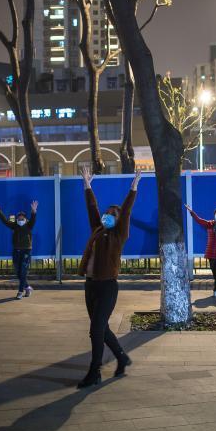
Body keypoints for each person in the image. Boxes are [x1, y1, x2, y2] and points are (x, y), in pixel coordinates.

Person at [77, 165, 141, 389]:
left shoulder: (119, 235)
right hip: (90, 286)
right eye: (107, 213)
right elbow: (92, 208)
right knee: (101, 328)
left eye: (113, 215)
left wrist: (133, 188)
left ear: (118, 220)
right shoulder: (97, 229)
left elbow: (127, 211)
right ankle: (122, 358)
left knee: (95, 330)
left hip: (107, 287)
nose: (108, 216)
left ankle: (94, 371)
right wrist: (87, 185)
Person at [0, 200, 39, 300]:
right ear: (17, 219)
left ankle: (20, 291)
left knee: (23, 271)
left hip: (26, 251)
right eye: (19, 218)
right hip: (16, 251)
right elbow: (5, 221)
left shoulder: (29, 225)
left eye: (22, 218)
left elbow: (33, 219)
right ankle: (27, 287)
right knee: (18, 272)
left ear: (25, 219)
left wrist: (34, 211)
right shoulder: (14, 225)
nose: (20, 219)